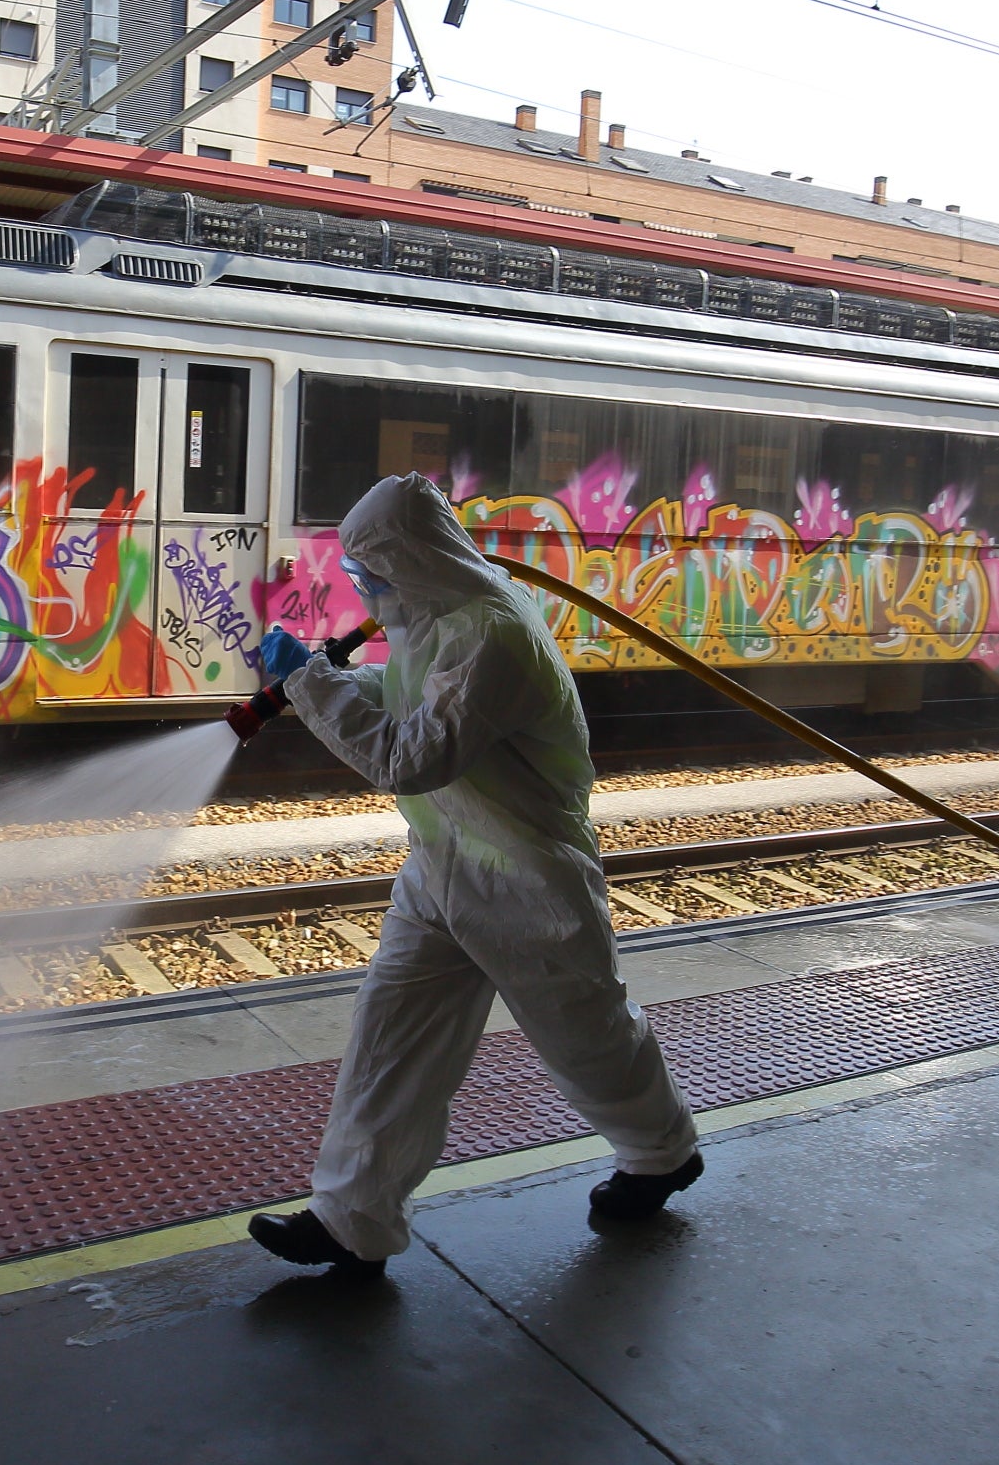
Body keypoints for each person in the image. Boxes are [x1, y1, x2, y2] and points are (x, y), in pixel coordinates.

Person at [246, 473, 701, 1274]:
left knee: (585, 1036)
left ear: (411, 560)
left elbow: (410, 756)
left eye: (371, 571)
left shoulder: (494, 634)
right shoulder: (431, 616)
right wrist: (323, 684)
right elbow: (405, 703)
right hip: (444, 867)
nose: (365, 589)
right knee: (391, 1037)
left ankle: (662, 1151)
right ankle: (350, 1217)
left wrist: (312, 684)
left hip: (527, 881)